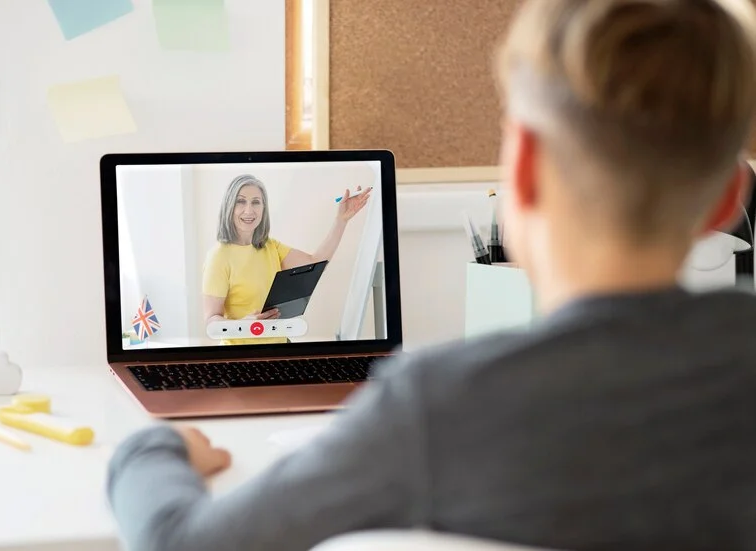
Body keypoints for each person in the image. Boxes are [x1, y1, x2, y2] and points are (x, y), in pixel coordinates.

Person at [106, 0, 756, 549]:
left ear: (523, 166)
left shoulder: (435, 405)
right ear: (730, 197)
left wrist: (151, 450)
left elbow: (181, 540)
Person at [201, 174, 371, 344]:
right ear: (229, 206)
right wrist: (243, 325)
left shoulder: (270, 246)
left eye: (256, 202)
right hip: (242, 356)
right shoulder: (219, 256)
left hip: (280, 348)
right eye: (241, 201)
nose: (249, 210)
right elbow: (211, 321)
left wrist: (341, 220)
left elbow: (317, 262)